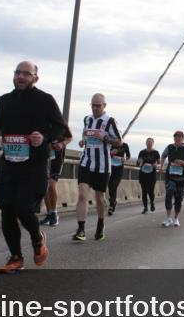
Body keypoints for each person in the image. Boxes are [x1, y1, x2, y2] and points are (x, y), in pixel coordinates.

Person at [0, 61, 67, 274]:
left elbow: (61, 129)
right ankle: (16, 257)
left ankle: (37, 238)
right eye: (17, 73)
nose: (21, 77)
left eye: (26, 73)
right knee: (7, 209)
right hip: (9, 165)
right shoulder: (4, 100)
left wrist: (44, 137)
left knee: (23, 207)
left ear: (35, 78)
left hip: (35, 166)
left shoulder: (45, 100)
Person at [73, 93, 122, 242]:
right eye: (93, 105)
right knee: (82, 195)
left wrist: (105, 138)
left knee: (99, 197)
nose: (95, 108)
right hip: (86, 162)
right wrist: (83, 141)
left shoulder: (110, 121)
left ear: (104, 106)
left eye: (98, 105)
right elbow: (85, 134)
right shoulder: (87, 119)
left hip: (102, 165)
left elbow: (119, 142)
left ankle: (100, 224)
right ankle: (81, 230)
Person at [40, 125, 73, 227]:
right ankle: (49, 213)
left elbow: (70, 137)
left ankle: (54, 213)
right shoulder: (41, 122)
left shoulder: (60, 123)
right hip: (45, 157)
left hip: (57, 160)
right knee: (44, 186)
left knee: (51, 185)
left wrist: (62, 144)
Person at [160, 130, 184, 227]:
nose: (177, 138)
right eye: (175, 136)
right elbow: (163, 155)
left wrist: (181, 162)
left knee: (178, 199)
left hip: (182, 178)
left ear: (183, 138)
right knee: (168, 197)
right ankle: (168, 218)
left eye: (179, 137)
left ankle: (176, 218)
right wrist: (161, 166)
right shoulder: (169, 147)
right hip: (170, 177)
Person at [136, 138, 161, 214]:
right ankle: (145, 207)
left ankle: (152, 203)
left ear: (153, 143)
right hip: (143, 174)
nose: (149, 143)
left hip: (152, 175)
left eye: (150, 142)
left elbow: (159, 163)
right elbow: (137, 163)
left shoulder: (156, 152)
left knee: (150, 191)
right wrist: (139, 162)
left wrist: (156, 165)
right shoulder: (142, 152)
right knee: (144, 191)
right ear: (146, 143)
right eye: (148, 142)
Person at [107, 141, 131, 215]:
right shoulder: (110, 144)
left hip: (119, 168)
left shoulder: (125, 145)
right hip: (110, 167)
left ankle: (111, 206)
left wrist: (125, 158)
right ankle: (113, 201)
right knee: (110, 186)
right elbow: (105, 154)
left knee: (114, 186)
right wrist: (110, 153)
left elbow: (128, 156)